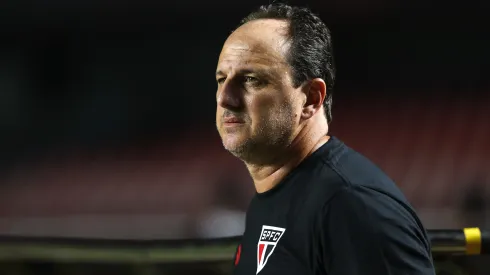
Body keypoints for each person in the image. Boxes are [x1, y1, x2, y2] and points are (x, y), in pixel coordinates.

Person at [215, 3, 435, 275]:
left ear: (311, 98)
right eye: (221, 79)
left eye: (251, 80)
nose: (225, 98)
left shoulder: (352, 205)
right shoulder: (276, 195)